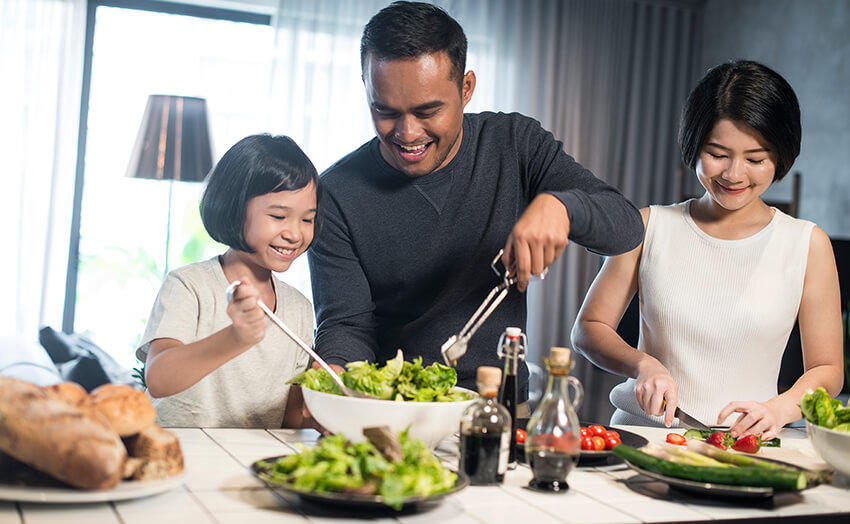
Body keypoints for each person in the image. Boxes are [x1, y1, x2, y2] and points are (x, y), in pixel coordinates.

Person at [308, 1, 644, 402]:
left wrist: (562, 207)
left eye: (427, 110)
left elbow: (625, 227)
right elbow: (346, 324)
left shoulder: (514, 143)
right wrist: (338, 378)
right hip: (392, 409)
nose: (407, 133)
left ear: (466, 88)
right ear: (365, 87)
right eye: (385, 111)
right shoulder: (336, 192)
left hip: (497, 405)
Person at [571, 60, 844, 440]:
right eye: (718, 153)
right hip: (646, 438)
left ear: (780, 156)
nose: (734, 174)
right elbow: (589, 328)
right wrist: (642, 365)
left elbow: (827, 368)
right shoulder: (648, 226)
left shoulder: (807, 244)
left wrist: (781, 408)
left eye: (755, 159)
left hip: (748, 446)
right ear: (693, 145)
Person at [137, 134, 319, 428]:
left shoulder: (298, 308)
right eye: (278, 216)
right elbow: (158, 378)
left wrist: (331, 404)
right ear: (234, 208)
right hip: (182, 458)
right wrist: (237, 337)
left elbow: (291, 417)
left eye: (307, 219)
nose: (295, 234)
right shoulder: (189, 286)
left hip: (251, 464)